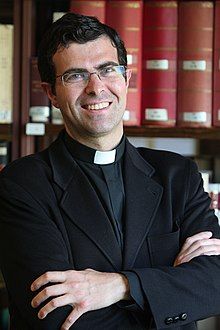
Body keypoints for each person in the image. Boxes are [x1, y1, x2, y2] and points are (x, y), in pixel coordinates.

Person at [0, 13, 220, 330]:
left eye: (107, 70)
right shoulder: (21, 185)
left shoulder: (178, 174)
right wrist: (170, 284)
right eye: (75, 76)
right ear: (51, 94)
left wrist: (121, 285)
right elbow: (58, 319)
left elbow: (213, 286)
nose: (96, 87)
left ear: (126, 78)